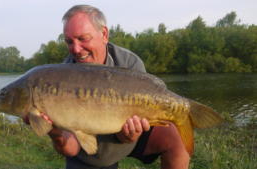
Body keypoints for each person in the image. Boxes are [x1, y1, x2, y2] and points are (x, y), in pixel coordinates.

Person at [34, 4, 190, 169]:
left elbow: (131, 133)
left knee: (176, 137)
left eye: (83, 38)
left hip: (129, 137)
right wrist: (54, 132)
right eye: (69, 41)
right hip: (89, 152)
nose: (76, 49)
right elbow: (70, 148)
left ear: (104, 34)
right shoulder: (58, 80)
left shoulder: (129, 63)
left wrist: (128, 135)